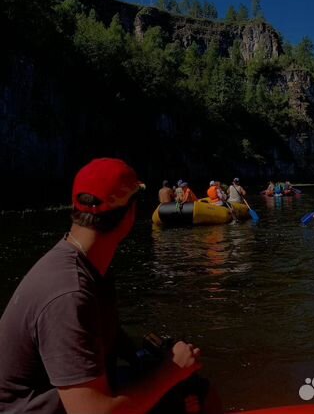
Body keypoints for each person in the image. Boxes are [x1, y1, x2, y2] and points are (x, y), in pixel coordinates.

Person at [0, 158, 221, 414]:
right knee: (190, 394)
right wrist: (171, 372)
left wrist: (156, 362)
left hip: (62, 400)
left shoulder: (90, 268)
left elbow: (111, 337)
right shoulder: (69, 292)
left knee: (194, 390)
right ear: (130, 213)